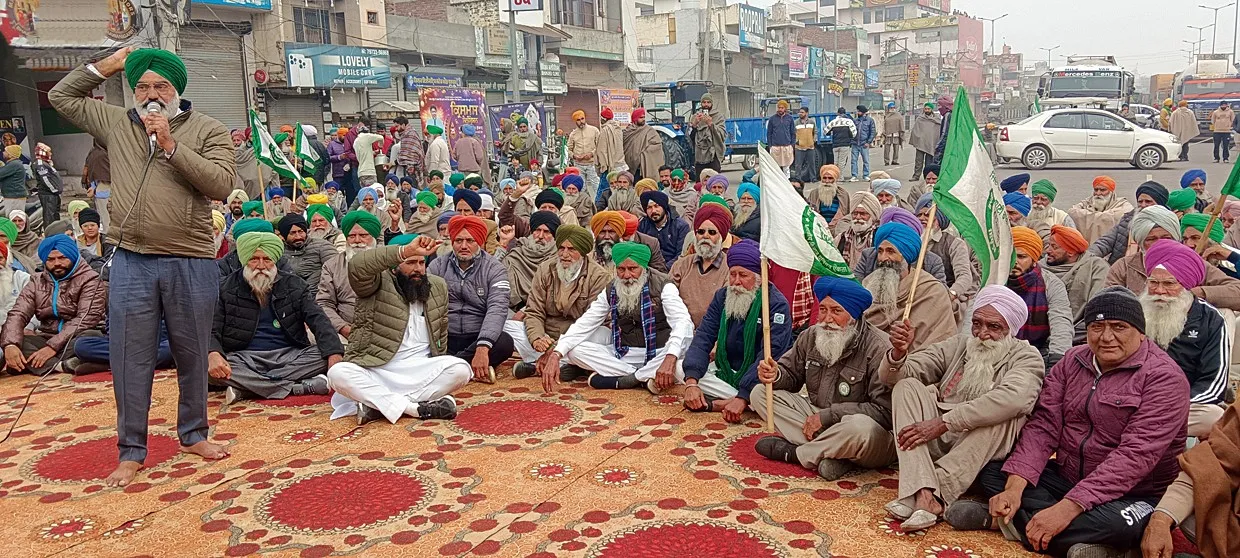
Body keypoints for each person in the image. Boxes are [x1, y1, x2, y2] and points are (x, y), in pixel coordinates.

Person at [49, 47, 236, 486]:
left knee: (192, 353)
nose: (151, 96)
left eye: (161, 87)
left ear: (177, 91)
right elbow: (61, 97)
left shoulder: (207, 129)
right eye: (142, 87)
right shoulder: (116, 123)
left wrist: (170, 145)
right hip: (132, 259)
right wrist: (107, 66)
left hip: (189, 258)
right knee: (129, 355)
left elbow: (223, 183)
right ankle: (131, 451)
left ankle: (194, 433)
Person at [972, 287, 1185, 558]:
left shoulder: (1165, 378)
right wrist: (1015, 489)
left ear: (1140, 332)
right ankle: (1075, 540)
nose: (1106, 337)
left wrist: (1068, 508)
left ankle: (1007, 522)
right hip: (1069, 477)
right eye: (1097, 326)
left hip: (1134, 493)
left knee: (1116, 524)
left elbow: (1135, 457)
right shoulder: (1073, 361)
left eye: (1119, 327)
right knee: (994, 471)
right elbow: (1044, 425)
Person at [881, 284, 1046, 533]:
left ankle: (934, 494)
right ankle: (924, 492)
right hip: (938, 438)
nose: (982, 334)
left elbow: (1015, 399)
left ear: (1011, 329)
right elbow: (899, 374)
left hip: (980, 450)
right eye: (977, 323)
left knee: (1004, 416)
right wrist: (898, 353)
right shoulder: (959, 345)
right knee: (907, 387)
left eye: (994, 327)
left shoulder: (1027, 357)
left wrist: (946, 421)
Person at [751, 276, 896, 479]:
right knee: (760, 393)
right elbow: (791, 374)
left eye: (836, 311)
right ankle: (835, 454)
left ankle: (796, 453)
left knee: (860, 428)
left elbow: (884, 412)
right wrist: (776, 375)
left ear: (854, 315)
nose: (827, 319)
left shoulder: (879, 347)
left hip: (865, 432)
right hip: (820, 418)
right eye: (823, 310)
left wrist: (828, 416)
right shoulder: (811, 335)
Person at [327, 235, 468, 425]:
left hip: (419, 370)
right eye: (410, 262)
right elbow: (358, 265)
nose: (418, 269)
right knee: (338, 373)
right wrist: (405, 250)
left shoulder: (437, 286)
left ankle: (377, 406)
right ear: (394, 266)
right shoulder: (375, 282)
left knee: (461, 370)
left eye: (421, 262)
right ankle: (415, 408)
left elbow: (441, 333)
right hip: (377, 367)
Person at [208, 232, 343, 403]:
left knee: (325, 355)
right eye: (254, 259)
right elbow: (212, 328)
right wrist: (213, 353)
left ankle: (249, 389)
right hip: (244, 357)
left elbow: (319, 320)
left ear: (276, 261)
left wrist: (334, 353)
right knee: (205, 368)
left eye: (267, 259)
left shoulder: (294, 285)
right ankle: (294, 387)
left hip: (290, 354)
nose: (261, 265)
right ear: (244, 260)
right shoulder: (225, 288)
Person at [541, 241, 693, 391]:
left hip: (660, 352)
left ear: (644, 267)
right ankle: (639, 377)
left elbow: (684, 323)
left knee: (680, 367)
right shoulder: (612, 289)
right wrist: (556, 353)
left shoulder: (664, 286)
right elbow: (586, 323)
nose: (626, 275)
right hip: (627, 352)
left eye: (633, 268)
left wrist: (671, 357)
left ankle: (629, 378)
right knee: (574, 350)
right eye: (621, 269)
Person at [676, 239, 791, 421]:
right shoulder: (722, 296)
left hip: (757, 378)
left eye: (743, 275)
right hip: (727, 370)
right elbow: (704, 336)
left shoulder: (776, 304)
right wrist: (691, 384)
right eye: (733, 274)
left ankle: (738, 401)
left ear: (759, 277)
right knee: (682, 368)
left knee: (763, 392)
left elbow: (772, 354)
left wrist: (744, 394)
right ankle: (741, 401)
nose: (736, 282)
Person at [1139, 239, 1229, 438]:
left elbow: (1214, 384)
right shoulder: (1134, 312)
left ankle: (1145, 431)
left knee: (1213, 417)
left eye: (1169, 283)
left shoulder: (1211, 320)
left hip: (1183, 405)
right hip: (1133, 400)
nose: (1160, 291)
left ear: (1187, 284)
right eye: (1153, 283)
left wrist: (1171, 408)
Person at [506, 224, 610, 383]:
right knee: (508, 327)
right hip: (547, 332)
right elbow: (534, 311)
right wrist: (538, 338)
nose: (565, 254)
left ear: (582, 252)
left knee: (603, 334)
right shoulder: (546, 269)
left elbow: (589, 322)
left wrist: (556, 348)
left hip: (578, 335)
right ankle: (569, 366)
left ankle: (536, 365)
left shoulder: (598, 276)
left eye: (572, 249)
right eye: (561, 248)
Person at [1, 234, 106, 375]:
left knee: (84, 344)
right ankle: (63, 366)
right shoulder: (37, 281)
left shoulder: (90, 280)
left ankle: (39, 364)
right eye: (50, 259)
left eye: (62, 258)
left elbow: (85, 319)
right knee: (19, 342)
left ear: (73, 257)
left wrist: (52, 347)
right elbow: (18, 313)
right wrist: (10, 345)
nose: (57, 263)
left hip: (78, 336)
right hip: (47, 336)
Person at [427, 215, 515, 382]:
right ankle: (467, 369)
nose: (464, 246)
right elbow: (424, 302)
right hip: (445, 337)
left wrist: (482, 347)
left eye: (470, 240)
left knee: (505, 343)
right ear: (452, 242)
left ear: (480, 242)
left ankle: (448, 368)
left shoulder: (494, 268)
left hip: (477, 336)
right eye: (459, 241)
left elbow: (498, 307)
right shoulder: (437, 266)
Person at [1107, 206, 1240, 311]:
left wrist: (1197, 293)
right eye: (1151, 239)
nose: (1159, 244)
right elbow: (1107, 300)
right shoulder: (1125, 266)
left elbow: (1237, 290)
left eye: (1166, 238)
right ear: (1141, 242)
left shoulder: (1192, 262)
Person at [863, 222, 958, 352]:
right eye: (880, 251)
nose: (883, 258)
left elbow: (941, 342)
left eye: (891, 251)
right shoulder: (869, 283)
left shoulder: (933, 291)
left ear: (906, 255)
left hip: (913, 364)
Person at [1003, 227, 1073, 365]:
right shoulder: (993, 280)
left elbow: (1061, 321)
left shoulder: (1051, 284)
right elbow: (973, 318)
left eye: (1022, 257)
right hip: (996, 348)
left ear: (1034, 260)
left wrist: (1057, 359)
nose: (1015, 262)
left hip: (1037, 351)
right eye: (1011, 256)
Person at [317, 211, 380, 341]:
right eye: (351, 236)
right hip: (345, 331)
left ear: (374, 237)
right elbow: (324, 303)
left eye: (363, 235)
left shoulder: (387, 262)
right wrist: (343, 328)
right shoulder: (332, 266)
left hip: (384, 329)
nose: (357, 241)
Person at [670, 203, 733, 326]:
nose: (705, 236)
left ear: (721, 237)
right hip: (681, 330)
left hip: (714, 335)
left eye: (712, 232)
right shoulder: (682, 264)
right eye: (701, 231)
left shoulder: (730, 267)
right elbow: (669, 295)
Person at [913, 194, 976, 307]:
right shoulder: (911, 241)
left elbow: (964, 276)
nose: (922, 218)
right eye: (919, 215)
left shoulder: (954, 244)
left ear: (940, 219)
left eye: (928, 215)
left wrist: (951, 294)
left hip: (945, 299)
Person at [1043, 225, 1109, 325]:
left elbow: (1097, 307)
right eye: (1048, 245)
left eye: (1054, 247)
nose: (1048, 250)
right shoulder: (1038, 268)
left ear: (1071, 252)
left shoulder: (1096, 268)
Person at [1089, 181, 1167, 265]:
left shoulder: (1168, 223)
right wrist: (1089, 257)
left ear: (1159, 204)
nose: (1143, 205)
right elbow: (1105, 242)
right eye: (1140, 202)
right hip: (1123, 268)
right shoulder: (1128, 220)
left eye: (1148, 201)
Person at [500, 210, 561, 311]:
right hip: (509, 310)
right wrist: (503, 244)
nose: (540, 236)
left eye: (546, 232)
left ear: (554, 235)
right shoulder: (516, 254)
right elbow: (491, 273)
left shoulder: (558, 257)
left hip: (543, 312)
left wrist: (524, 312)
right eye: (537, 230)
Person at [276, 214, 336, 296]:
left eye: (301, 232)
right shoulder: (279, 251)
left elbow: (336, 272)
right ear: (283, 235)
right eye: (292, 233)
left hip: (319, 296)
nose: (298, 236)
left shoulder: (323, 246)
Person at [1068, 176, 1135, 245]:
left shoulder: (1122, 204)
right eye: (1096, 190)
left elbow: (1124, 214)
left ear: (1111, 192)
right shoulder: (1088, 201)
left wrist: (1088, 216)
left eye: (1102, 190)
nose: (1098, 193)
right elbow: (1072, 212)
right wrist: (1098, 216)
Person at [638, 190, 690, 268]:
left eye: (657, 206)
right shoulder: (642, 225)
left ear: (664, 207)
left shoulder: (681, 226)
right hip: (649, 269)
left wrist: (664, 269)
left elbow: (681, 255)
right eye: (649, 207)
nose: (653, 211)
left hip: (673, 269)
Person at [836, 191, 882, 267]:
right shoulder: (842, 238)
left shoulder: (879, 237)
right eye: (855, 213)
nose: (857, 217)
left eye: (863, 214)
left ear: (873, 216)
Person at [622, 108, 664, 181]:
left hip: (643, 167)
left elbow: (657, 145)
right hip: (629, 167)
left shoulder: (650, 131)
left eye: (644, 117)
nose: (643, 119)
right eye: (641, 117)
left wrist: (644, 153)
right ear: (635, 118)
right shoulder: (627, 132)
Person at [566, 110, 600, 197]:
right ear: (575, 121)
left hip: (592, 163)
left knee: (596, 185)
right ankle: (583, 204)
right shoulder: (573, 134)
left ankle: (599, 204)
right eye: (578, 120)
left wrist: (591, 154)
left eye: (582, 119)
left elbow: (600, 146)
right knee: (581, 186)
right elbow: (568, 149)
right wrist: (574, 156)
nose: (581, 121)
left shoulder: (594, 130)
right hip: (579, 164)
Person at [692, 93, 727, 176]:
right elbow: (690, 137)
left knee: (714, 181)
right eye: (704, 102)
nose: (706, 104)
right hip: (699, 155)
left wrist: (711, 125)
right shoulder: (695, 116)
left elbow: (722, 135)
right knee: (700, 183)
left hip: (713, 155)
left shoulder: (718, 117)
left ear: (712, 104)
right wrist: (694, 124)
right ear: (701, 103)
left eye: (708, 102)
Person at [595, 107, 626, 201]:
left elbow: (602, 151)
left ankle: (598, 210)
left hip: (609, 167)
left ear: (603, 118)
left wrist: (601, 167)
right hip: (621, 165)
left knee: (602, 191)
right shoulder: (619, 129)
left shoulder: (605, 130)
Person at [908, 103, 941, 183]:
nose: (927, 110)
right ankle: (916, 175)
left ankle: (927, 176)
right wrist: (918, 138)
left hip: (930, 144)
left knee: (929, 162)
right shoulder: (920, 119)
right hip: (921, 143)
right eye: (925, 109)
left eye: (928, 109)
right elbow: (915, 130)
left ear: (931, 110)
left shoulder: (936, 120)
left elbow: (937, 132)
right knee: (918, 161)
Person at [30, 143, 62, 226]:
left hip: (52, 194)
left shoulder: (45, 163)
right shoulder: (40, 164)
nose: (50, 154)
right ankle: (50, 235)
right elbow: (46, 179)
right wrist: (54, 190)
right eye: (49, 152)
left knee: (54, 216)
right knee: (49, 217)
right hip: (48, 194)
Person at [767, 99, 796, 175]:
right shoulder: (772, 119)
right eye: (779, 107)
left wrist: (792, 145)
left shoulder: (790, 118)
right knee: (775, 168)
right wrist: (770, 146)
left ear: (785, 109)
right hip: (775, 147)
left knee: (786, 168)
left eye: (782, 108)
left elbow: (793, 132)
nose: (780, 109)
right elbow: (769, 133)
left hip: (787, 147)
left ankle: (787, 184)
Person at [393, 116, 425, 185]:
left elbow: (409, 155)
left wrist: (394, 163)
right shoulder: (406, 134)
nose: (396, 129)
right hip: (409, 168)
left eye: (397, 126)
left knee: (412, 189)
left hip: (412, 168)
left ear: (403, 125)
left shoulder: (409, 134)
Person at [828, 108, 856, 179]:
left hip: (835, 145)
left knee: (836, 162)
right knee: (842, 162)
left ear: (837, 113)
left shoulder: (833, 122)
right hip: (845, 145)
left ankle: (835, 176)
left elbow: (826, 131)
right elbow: (854, 133)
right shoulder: (849, 121)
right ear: (845, 113)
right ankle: (840, 177)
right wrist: (850, 137)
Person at [852, 106, 876, 181]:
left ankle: (866, 175)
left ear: (863, 112)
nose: (857, 112)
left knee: (866, 160)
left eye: (859, 111)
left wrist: (868, 142)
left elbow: (872, 132)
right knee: (853, 160)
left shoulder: (870, 121)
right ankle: (854, 175)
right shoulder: (855, 121)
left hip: (864, 144)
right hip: (855, 143)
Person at [0, 146, 24, 219]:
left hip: (14, 197)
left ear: (10, 154)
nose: (3, 153)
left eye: (5, 151)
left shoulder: (14, 164)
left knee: (13, 219)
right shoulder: (12, 164)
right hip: (12, 196)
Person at [933, 95, 953, 164]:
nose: (938, 108)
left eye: (939, 106)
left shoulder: (947, 115)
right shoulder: (952, 114)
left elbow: (944, 134)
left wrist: (938, 147)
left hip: (945, 148)